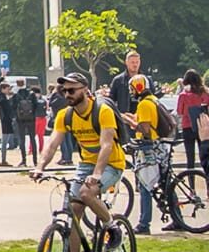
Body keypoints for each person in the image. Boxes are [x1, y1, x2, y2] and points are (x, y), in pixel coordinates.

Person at [33, 71, 126, 241]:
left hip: (111, 164)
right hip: (86, 165)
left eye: (72, 90)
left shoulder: (102, 111)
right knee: (73, 213)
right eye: (64, 91)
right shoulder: (65, 115)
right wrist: (40, 167)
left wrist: (97, 174)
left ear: (85, 90)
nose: (67, 94)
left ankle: (112, 227)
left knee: (85, 193)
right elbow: (52, 144)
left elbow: (106, 145)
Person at [127, 75, 164, 234]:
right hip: (160, 146)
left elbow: (145, 128)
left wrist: (130, 123)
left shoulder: (143, 104)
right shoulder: (153, 100)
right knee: (165, 183)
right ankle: (177, 219)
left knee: (145, 185)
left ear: (139, 87)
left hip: (149, 147)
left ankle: (144, 223)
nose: (131, 92)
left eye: (132, 88)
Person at [176, 70, 208, 180]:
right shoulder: (204, 93)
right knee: (205, 156)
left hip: (187, 127)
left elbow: (179, 111)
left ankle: (192, 190)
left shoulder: (183, 95)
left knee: (190, 160)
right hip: (202, 127)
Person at [108, 50, 142, 115]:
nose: (135, 65)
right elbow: (111, 101)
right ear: (126, 62)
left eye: (137, 62)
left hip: (142, 118)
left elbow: (152, 98)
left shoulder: (146, 80)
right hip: (124, 119)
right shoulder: (118, 80)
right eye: (132, 62)